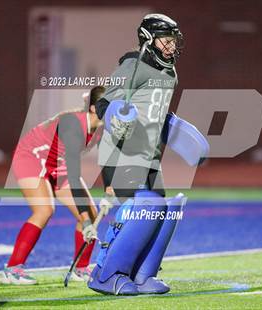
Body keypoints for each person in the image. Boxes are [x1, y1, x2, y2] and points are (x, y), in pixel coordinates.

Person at [87, 14, 208, 295]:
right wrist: (117, 117)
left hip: (149, 154)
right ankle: (106, 274)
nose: (171, 46)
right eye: (166, 40)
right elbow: (106, 102)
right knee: (148, 208)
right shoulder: (133, 65)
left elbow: (156, 113)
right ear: (148, 38)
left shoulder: (170, 73)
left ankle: (143, 275)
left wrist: (177, 132)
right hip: (122, 152)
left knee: (166, 211)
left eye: (173, 40)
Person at [0, 86, 106, 285]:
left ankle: (81, 269)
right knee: (44, 210)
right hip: (32, 156)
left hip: (57, 162)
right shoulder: (75, 126)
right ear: (93, 108)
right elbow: (74, 179)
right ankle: (12, 269)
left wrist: (109, 188)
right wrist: (85, 223)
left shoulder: (101, 128)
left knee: (91, 212)